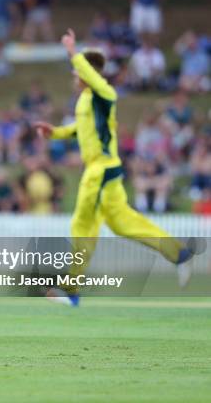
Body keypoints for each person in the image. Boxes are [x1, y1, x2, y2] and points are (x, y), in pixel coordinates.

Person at [33, 29, 193, 307]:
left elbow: (89, 77)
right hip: (107, 170)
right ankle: (178, 253)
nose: (74, 77)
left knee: (83, 224)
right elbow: (79, 129)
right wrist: (55, 132)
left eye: (77, 72)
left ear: (87, 74)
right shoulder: (85, 101)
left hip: (100, 171)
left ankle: (70, 289)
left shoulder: (105, 93)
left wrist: (73, 51)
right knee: (123, 223)